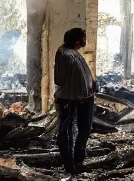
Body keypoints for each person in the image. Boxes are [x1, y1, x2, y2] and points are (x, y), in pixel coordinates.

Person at [54, 28, 96, 175]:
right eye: (84, 38)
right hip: (70, 99)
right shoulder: (66, 54)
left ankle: (77, 160)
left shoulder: (71, 52)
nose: (85, 40)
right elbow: (59, 79)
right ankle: (70, 163)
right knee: (67, 130)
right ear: (78, 40)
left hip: (83, 97)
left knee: (83, 129)